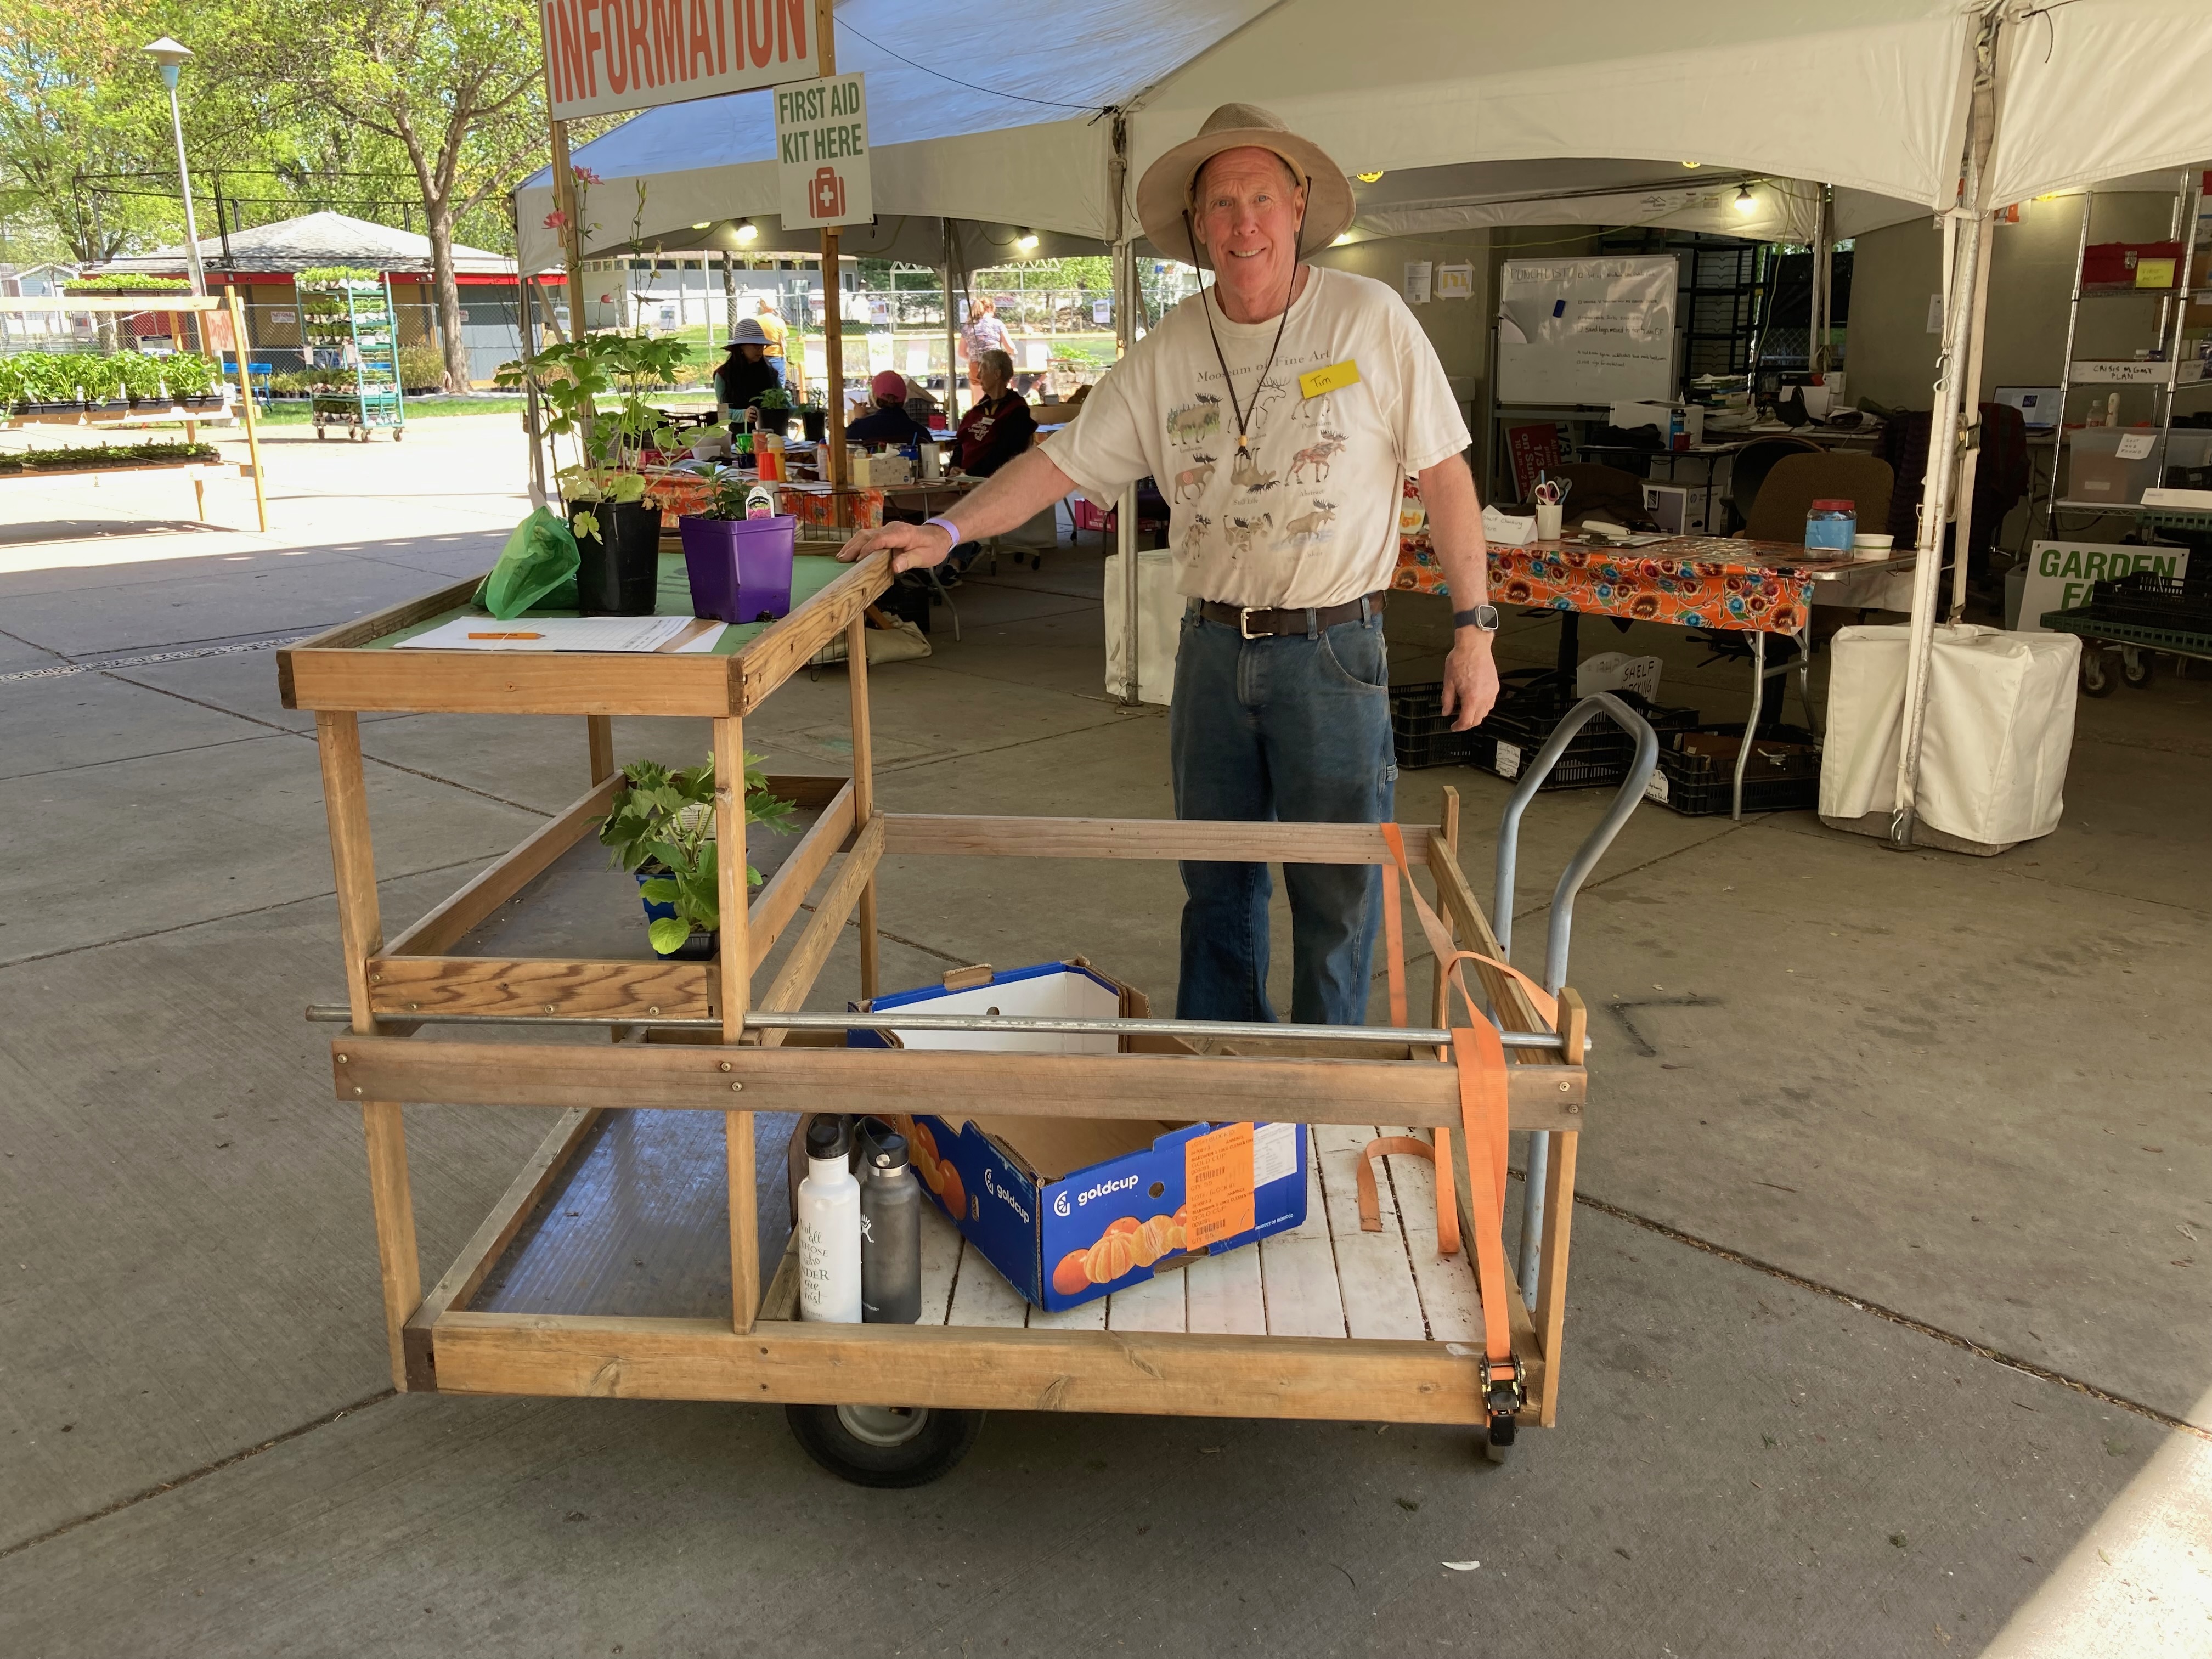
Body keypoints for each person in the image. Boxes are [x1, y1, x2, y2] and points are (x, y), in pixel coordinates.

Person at [838, 104, 1499, 1026]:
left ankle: (1325, 1097)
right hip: (1211, 653)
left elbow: (1444, 472)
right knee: (1215, 887)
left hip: (1333, 651)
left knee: (1336, 893)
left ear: (1298, 203)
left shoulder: (1368, 318)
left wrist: (1474, 628)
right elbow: (1057, 464)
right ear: (1196, 224)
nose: (1242, 223)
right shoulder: (1167, 350)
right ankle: (1225, 1103)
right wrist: (945, 533)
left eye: (1260, 197)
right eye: (1220, 203)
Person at [952, 349, 1035, 478]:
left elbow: (1003, 454)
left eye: (983, 370)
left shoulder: (1017, 411)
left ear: (997, 374)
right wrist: (954, 467)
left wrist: (968, 473)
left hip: (994, 482)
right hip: (963, 480)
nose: (978, 376)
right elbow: (960, 443)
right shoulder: (978, 409)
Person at [714, 317, 783, 415]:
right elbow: (723, 413)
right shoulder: (723, 375)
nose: (760, 349)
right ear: (741, 347)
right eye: (756, 345)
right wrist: (744, 415)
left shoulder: (771, 373)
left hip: (771, 427)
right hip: (740, 429)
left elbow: (785, 406)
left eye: (762, 346)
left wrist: (806, 410)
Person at [847, 370, 929, 447]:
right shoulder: (920, 432)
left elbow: (848, 448)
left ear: (875, 397)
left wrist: (858, 420)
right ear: (904, 398)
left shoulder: (858, 429)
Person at [960, 296, 1012, 372]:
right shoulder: (997, 323)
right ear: (989, 308)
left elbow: (962, 352)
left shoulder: (967, 327)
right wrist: (1013, 352)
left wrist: (974, 358)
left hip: (976, 366)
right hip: (995, 365)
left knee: (977, 384)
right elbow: (1010, 347)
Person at [754, 297, 789, 384]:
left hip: (760, 354)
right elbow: (783, 340)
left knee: (761, 382)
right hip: (776, 354)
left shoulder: (755, 321)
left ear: (762, 306)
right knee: (779, 382)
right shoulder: (779, 321)